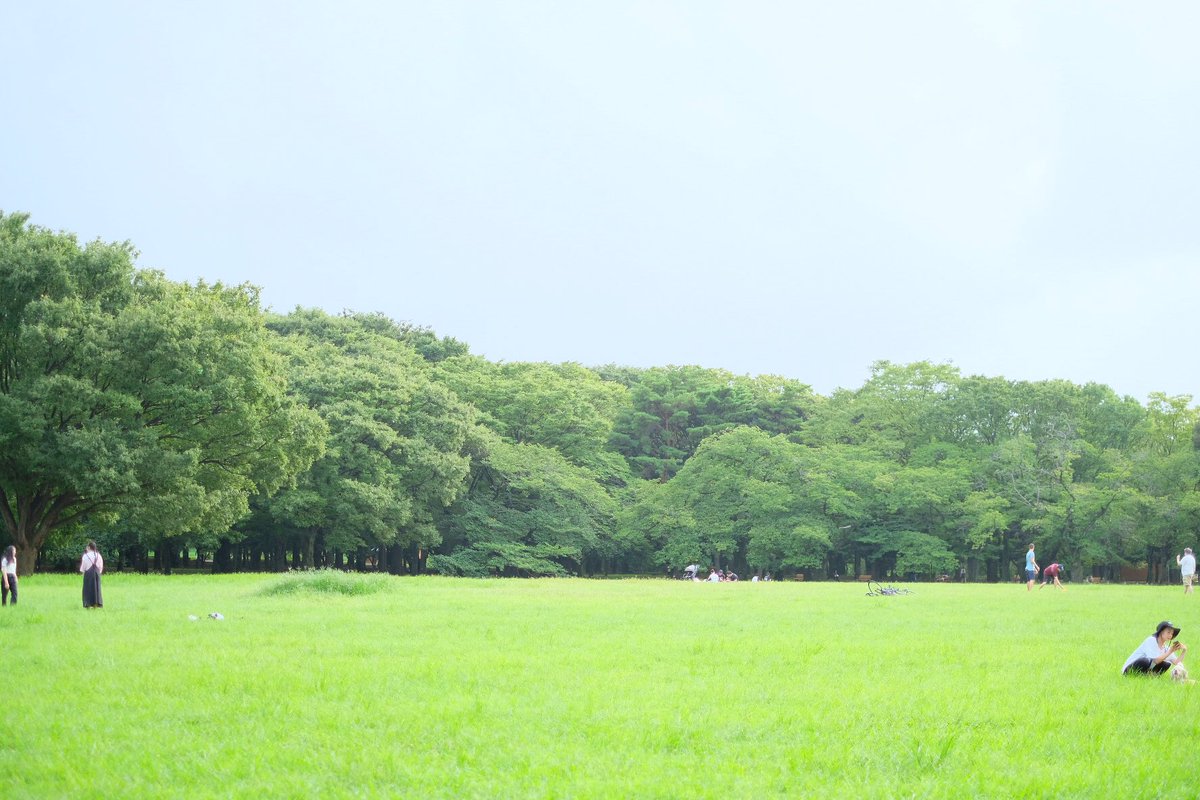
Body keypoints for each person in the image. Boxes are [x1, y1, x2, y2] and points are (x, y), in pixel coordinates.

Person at [1122, 621, 1188, 680]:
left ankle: (1147, 677)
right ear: (1161, 631)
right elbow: (1156, 660)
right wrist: (1170, 651)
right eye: (1168, 632)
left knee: (1166, 664)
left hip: (1144, 670)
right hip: (1128, 670)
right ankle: (1139, 676)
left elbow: (1176, 662)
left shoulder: (1166, 648)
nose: (1170, 635)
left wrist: (1184, 651)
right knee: (1145, 661)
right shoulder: (1151, 640)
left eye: (1172, 633)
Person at [80, 541, 104, 609]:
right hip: (97, 574)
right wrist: (99, 573)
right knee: (97, 589)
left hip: (88, 574)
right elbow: (101, 566)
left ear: (89, 547)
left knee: (87, 589)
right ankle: (96, 604)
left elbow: (83, 567)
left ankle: (87, 604)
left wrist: (82, 572)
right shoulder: (98, 555)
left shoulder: (85, 555)